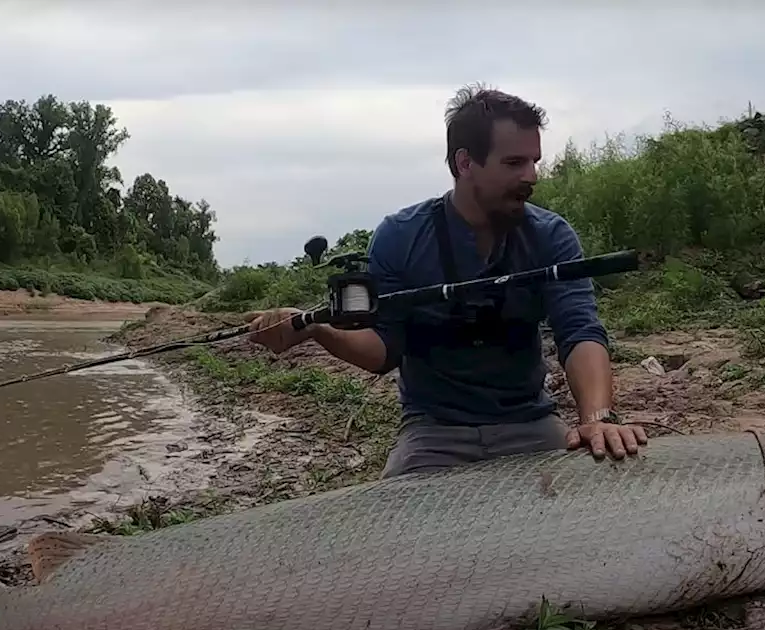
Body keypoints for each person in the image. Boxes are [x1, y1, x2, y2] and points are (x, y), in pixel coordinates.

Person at [244, 84, 647, 479]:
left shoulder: (552, 236)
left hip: (531, 423)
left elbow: (580, 332)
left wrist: (598, 418)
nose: (532, 176)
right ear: (465, 162)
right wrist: (314, 326)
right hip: (433, 433)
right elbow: (382, 350)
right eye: (514, 163)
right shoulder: (399, 236)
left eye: (534, 161)